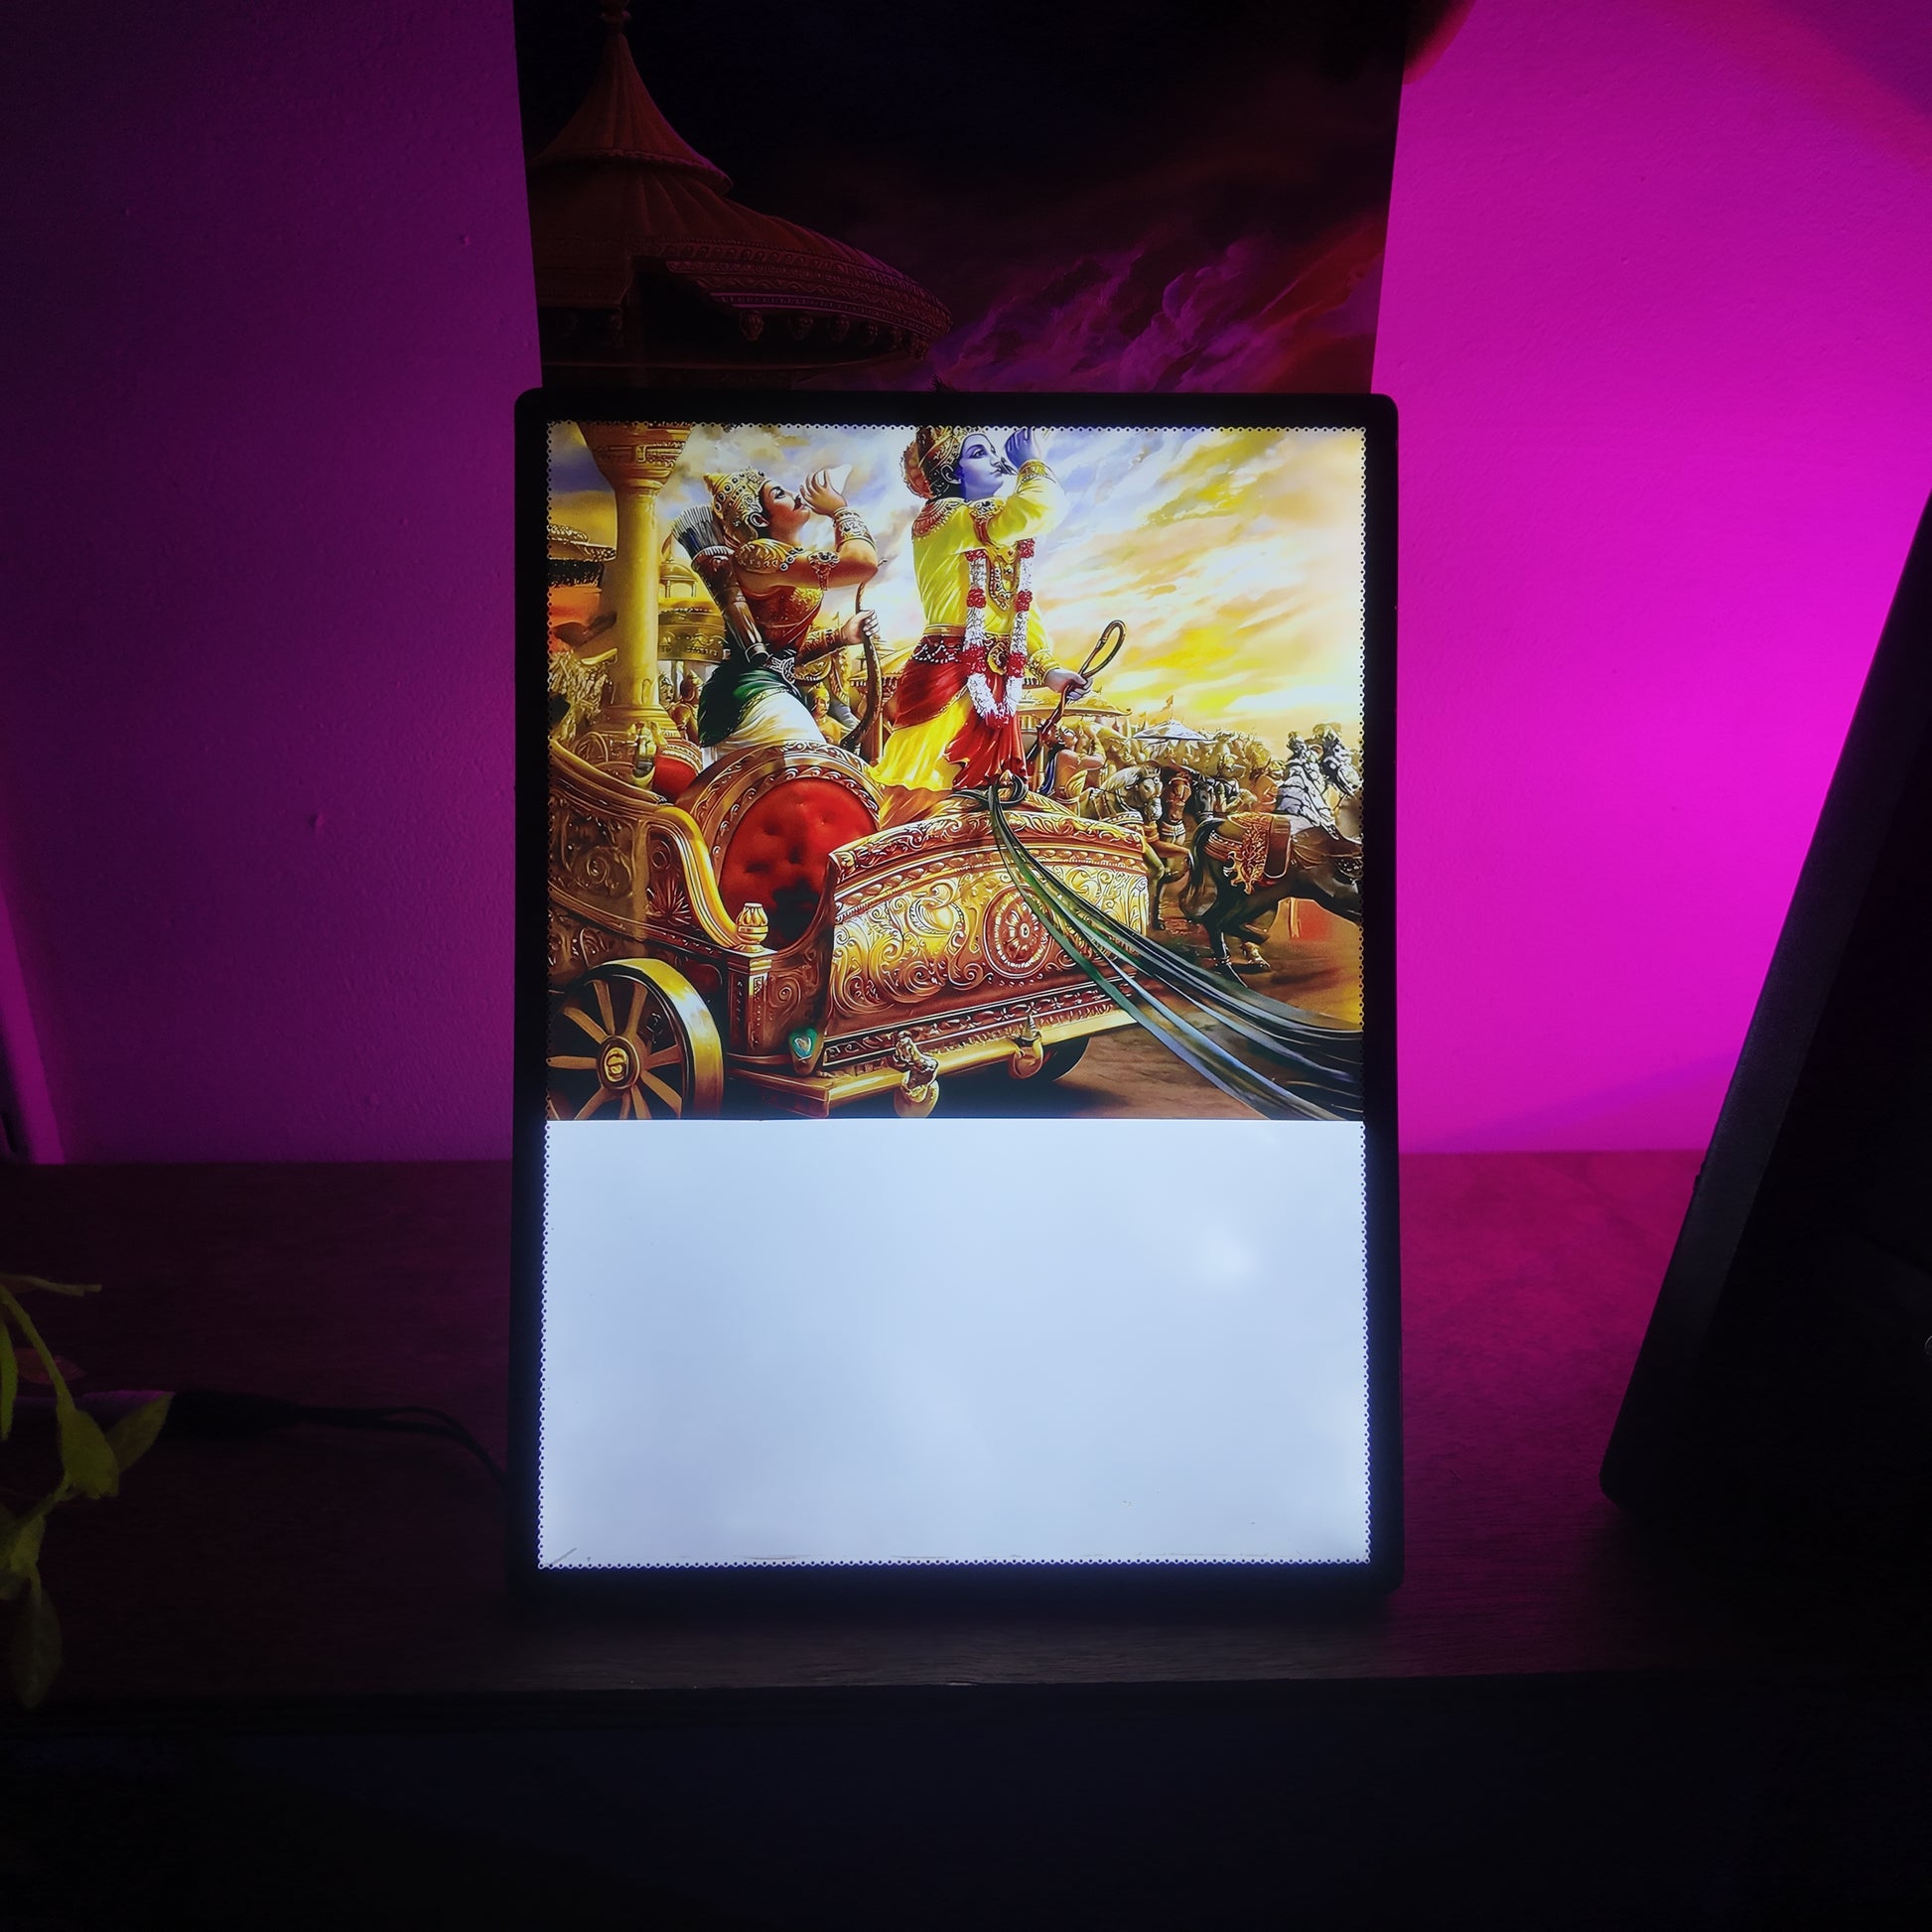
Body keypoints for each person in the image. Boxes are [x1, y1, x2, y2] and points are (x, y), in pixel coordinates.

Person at [871, 426, 1089, 827]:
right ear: (951, 473)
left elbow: (1018, 609)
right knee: (920, 803)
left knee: (989, 812)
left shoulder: (990, 533)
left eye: (992, 452)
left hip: (996, 683)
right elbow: (1038, 509)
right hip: (947, 677)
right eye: (978, 453)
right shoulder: (945, 519)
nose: (994, 460)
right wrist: (1031, 463)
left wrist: (1048, 670)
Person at [686, 468, 878, 757]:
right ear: (759, 519)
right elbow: (862, 563)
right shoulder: (758, 554)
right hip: (747, 694)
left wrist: (841, 636)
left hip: (768, 690)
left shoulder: (790, 562)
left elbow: (781, 654)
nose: (794, 495)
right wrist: (840, 510)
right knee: (814, 768)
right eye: (779, 494)